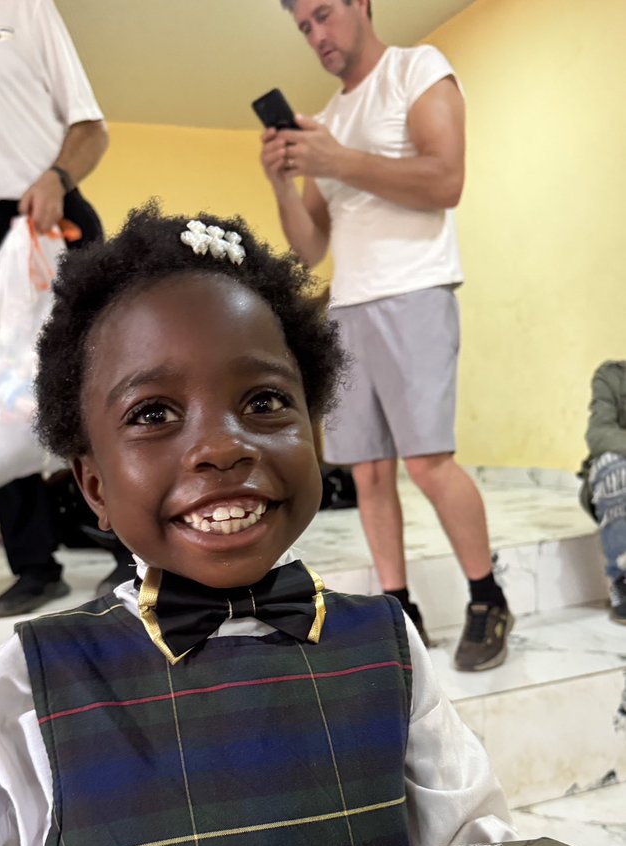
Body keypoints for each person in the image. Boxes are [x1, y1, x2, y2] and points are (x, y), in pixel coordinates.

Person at [0, 203, 515, 846]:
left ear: (314, 428)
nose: (221, 447)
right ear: (93, 483)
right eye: (152, 414)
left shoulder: (385, 647)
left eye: (264, 402)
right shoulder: (30, 685)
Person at [261, 0, 513, 671]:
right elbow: (310, 247)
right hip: (346, 305)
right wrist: (286, 183)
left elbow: (445, 180)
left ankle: (487, 596)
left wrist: (336, 160)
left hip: (414, 292)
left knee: (427, 462)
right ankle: (398, 609)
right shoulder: (330, 118)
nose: (316, 35)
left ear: (361, 4)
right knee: (368, 472)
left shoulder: (417, 69)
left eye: (322, 15)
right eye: (303, 27)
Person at [0, 0, 128, 622]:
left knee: (97, 384)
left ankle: (132, 548)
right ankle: (34, 567)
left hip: (49, 209)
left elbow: (91, 128)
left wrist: (56, 177)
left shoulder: (22, 8)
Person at [578, 361, 626, 623]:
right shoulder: (612, 376)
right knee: (615, 467)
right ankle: (623, 579)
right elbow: (599, 433)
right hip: (621, 480)